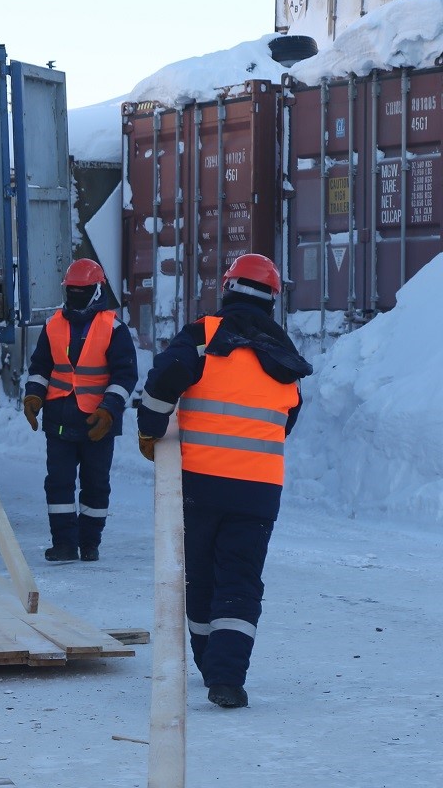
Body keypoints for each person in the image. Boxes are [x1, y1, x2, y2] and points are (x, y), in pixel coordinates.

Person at [136, 253, 313, 709]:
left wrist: (150, 429)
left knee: (200, 576)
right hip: (259, 490)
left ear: (228, 288)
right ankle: (227, 678)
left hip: (201, 483)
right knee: (240, 580)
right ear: (273, 300)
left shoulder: (205, 335)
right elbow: (286, 418)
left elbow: (161, 381)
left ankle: (207, 662)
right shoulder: (284, 354)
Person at [22, 258, 137, 563]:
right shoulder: (53, 325)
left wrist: (109, 410)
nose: (75, 295)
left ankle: (89, 543)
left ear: (97, 291)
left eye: (81, 290)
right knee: (58, 482)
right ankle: (63, 544)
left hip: (98, 422)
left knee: (95, 484)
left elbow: (125, 376)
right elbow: (40, 368)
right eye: (71, 290)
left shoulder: (113, 328)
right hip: (59, 419)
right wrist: (33, 396)